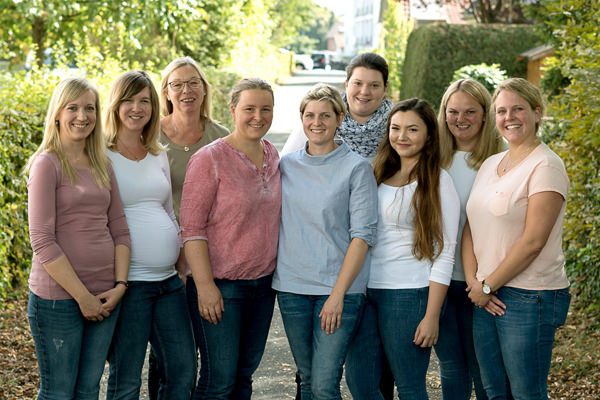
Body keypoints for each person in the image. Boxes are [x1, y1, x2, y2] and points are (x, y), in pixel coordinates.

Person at [284, 51, 395, 400]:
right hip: (292, 287)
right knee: (307, 378)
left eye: (326, 116)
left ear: (339, 118)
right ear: (301, 119)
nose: (317, 123)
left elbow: (363, 234)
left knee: (325, 383)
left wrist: (337, 295)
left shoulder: (358, 165)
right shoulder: (285, 164)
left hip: (342, 286)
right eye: (310, 116)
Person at [463, 77, 571, 399]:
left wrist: (486, 285)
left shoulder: (547, 166)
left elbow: (533, 241)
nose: (509, 117)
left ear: (537, 113)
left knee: (526, 393)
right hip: (485, 295)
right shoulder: (491, 164)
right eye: (501, 111)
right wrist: (474, 283)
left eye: (518, 109)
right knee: (494, 390)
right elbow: (471, 225)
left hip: (529, 297)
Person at [26, 77, 131, 399]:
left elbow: (120, 228)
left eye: (90, 108)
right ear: (57, 113)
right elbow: (41, 239)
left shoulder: (102, 162)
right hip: (58, 300)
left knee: (87, 390)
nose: (82, 116)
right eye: (73, 108)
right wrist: (82, 297)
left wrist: (120, 286)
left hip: (105, 296)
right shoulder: (47, 164)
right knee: (58, 392)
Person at [180, 78, 281, 399]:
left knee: (243, 377)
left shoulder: (272, 154)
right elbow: (191, 229)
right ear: (233, 110)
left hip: (263, 286)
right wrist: (206, 287)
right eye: (249, 108)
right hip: (221, 286)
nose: (258, 116)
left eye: (266, 109)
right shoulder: (209, 159)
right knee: (217, 381)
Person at [355, 98, 460, 399]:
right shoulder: (376, 172)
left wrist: (431, 315)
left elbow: (445, 251)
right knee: (362, 384)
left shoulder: (439, 181)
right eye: (395, 128)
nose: (401, 136)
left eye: (412, 129)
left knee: (410, 387)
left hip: (408, 294)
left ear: (429, 135)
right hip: (364, 291)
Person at [104, 70, 196, 399]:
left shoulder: (158, 153)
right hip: (129, 284)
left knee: (183, 371)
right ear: (115, 105)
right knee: (127, 379)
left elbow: (168, 211)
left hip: (169, 282)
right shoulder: (102, 155)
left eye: (144, 101)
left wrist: (181, 265)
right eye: (128, 100)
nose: (136, 108)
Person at [149, 56, 229, 398]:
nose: (186, 90)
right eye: (177, 84)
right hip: (162, 259)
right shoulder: (149, 135)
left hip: (207, 259)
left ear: (204, 89)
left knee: (200, 347)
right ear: (165, 92)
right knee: (165, 353)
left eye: (193, 82)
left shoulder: (221, 137)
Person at [434, 78, 504, 400]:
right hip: (441, 280)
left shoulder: (503, 156)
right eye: (453, 111)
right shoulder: (432, 156)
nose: (460, 119)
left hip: (487, 281)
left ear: (486, 114)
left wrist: (487, 282)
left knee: (483, 367)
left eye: (470, 112)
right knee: (451, 366)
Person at [282, 52, 393, 163]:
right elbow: (285, 166)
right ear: (346, 84)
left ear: (385, 88)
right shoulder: (319, 118)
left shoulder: (396, 125)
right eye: (358, 83)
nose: (364, 92)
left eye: (374, 85)